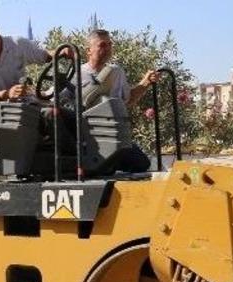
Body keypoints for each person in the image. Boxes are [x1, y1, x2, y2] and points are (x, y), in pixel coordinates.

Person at [57, 29, 158, 174]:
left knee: (141, 163)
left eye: (110, 44)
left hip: (112, 134)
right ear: (89, 51)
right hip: (87, 135)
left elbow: (127, 100)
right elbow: (55, 101)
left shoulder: (116, 72)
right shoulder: (76, 74)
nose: (108, 48)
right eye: (102, 45)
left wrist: (145, 82)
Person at [0, 12, 69, 103]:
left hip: (24, 104)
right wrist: (6, 94)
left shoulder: (17, 44)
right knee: (50, 115)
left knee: (62, 110)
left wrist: (63, 51)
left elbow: (45, 56)